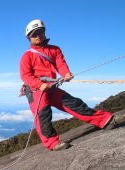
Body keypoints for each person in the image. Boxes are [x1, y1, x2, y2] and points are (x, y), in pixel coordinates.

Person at [20, 19, 124, 151]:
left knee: (74, 103)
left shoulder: (55, 49)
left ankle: (106, 121)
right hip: (35, 90)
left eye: (40, 32)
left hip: (51, 87)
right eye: (34, 34)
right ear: (29, 38)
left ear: (44, 32)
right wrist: (39, 84)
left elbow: (60, 64)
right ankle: (52, 143)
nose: (38, 35)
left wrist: (66, 73)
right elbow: (25, 75)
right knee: (43, 114)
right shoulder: (27, 56)